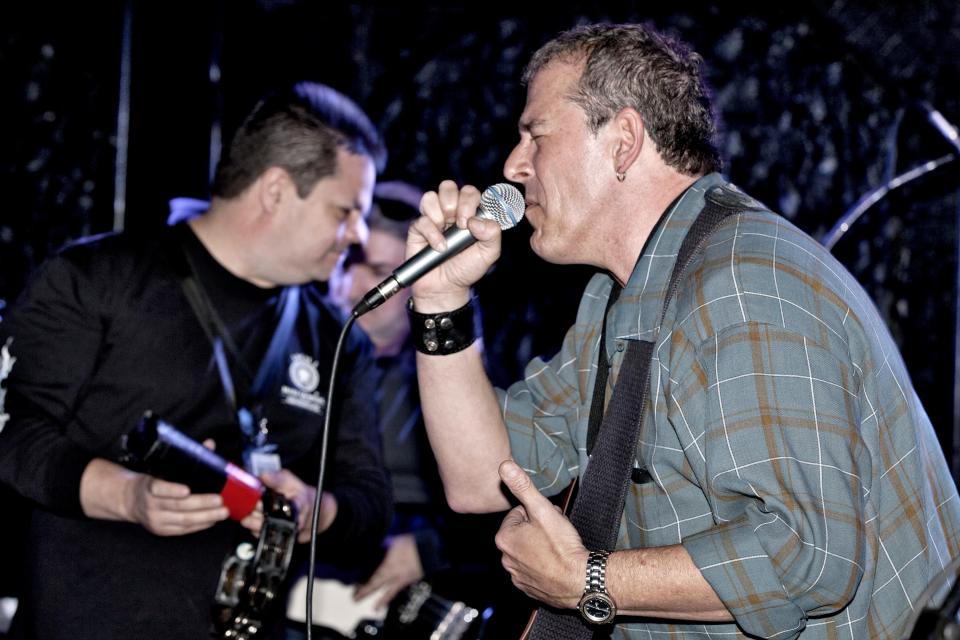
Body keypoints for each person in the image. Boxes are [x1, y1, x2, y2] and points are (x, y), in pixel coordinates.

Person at [406, 23, 960, 639]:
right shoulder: (623, 297)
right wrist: (441, 301)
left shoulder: (745, 283)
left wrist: (589, 581)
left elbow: (807, 559)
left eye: (536, 135)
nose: (514, 164)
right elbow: (482, 477)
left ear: (622, 141)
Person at [0, 81, 392, 640]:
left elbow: (370, 502)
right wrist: (126, 496)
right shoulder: (96, 278)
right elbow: (12, 431)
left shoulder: (339, 339)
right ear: (276, 189)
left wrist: (313, 510)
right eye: (346, 210)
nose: (356, 235)